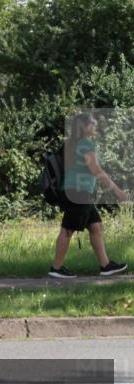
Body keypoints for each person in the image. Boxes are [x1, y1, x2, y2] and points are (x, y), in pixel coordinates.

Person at [49, 113, 128, 278]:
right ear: (84, 127)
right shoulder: (85, 143)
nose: (95, 126)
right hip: (78, 193)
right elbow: (96, 170)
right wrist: (117, 191)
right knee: (67, 230)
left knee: (96, 226)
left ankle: (105, 265)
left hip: (76, 192)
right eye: (92, 123)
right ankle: (56, 268)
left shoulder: (74, 143)